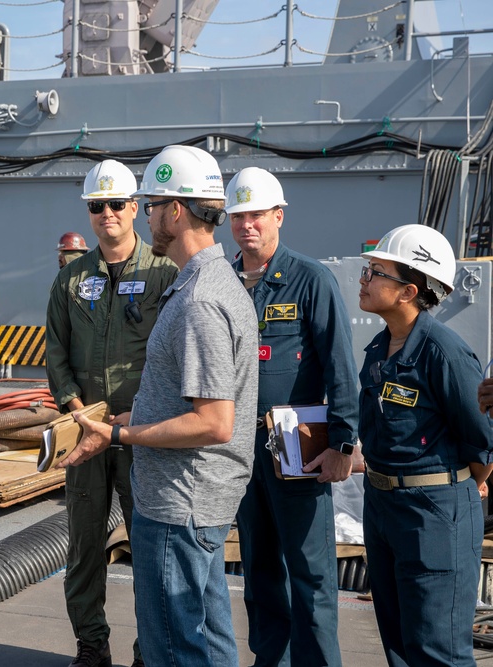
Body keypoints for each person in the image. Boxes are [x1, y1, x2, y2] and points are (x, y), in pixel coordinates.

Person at [60, 145, 258, 667]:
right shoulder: (212, 281)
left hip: (180, 501)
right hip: (190, 496)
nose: (140, 214)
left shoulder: (197, 297)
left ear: (174, 211)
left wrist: (123, 435)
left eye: (146, 204)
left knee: (176, 645)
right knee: (208, 637)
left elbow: (214, 423)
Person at [45, 159, 178, 667]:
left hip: (139, 432)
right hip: (84, 431)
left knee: (147, 544)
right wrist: (75, 408)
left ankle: (149, 650)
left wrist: (136, 422)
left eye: (116, 204)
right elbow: (56, 349)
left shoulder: (164, 273)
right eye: (96, 206)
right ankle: (91, 646)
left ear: (136, 207)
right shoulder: (71, 280)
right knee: (83, 545)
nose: (107, 214)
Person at [226, 167, 359, 666]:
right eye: (238, 216)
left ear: (278, 216)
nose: (247, 225)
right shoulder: (224, 280)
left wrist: (343, 445)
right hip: (240, 446)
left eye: (257, 214)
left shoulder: (309, 279)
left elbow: (339, 366)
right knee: (259, 566)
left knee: (311, 570)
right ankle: (271, 660)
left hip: (295, 441)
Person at [357, 224, 492, 666]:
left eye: (376, 271)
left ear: (408, 291)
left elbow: (483, 437)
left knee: (438, 651)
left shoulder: (445, 353)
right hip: (383, 506)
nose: (364, 278)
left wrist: (466, 487)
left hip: (433, 512)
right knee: (399, 646)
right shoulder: (380, 348)